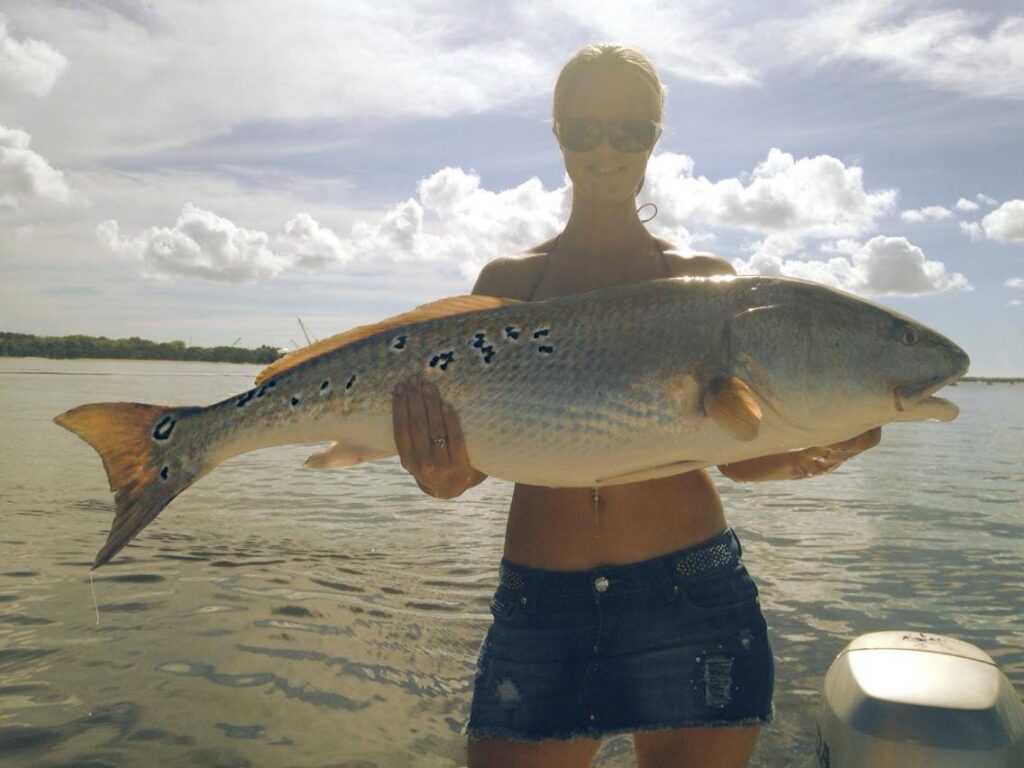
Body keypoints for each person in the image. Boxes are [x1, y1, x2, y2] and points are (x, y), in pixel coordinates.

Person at [391, 44, 880, 768]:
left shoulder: (704, 284)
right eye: (584, 129)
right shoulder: (506, 282)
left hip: (692, 595)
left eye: (631, 130)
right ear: (557, 134)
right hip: (541, 602)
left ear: (657, 138)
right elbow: (469, 468)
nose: (606, 149)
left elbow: (742, 462)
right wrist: (439, 472)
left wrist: (812, 450)